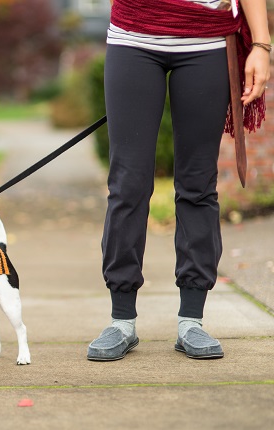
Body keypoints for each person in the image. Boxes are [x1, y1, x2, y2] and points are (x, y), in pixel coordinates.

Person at [87, 0, 271, 361]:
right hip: (133, 35)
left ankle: (192, 320)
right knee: (128, 183)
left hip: (206, 39)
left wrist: (262, 45)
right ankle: (121, 319)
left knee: (199, 183)